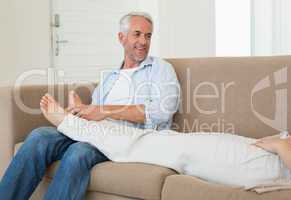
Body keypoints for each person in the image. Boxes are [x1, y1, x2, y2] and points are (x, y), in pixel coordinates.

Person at [0, 12, 180, 200]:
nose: (143, 41)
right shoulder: (110, 77)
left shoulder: (161, 69)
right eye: (137, 34)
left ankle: (67, 122)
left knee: (78, 152)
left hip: (126, 138)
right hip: (95, 131)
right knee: (40, 136)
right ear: (121, 37)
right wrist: (81, 111)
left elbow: (163, 111)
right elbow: (96, 112)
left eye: (148, 35)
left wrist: (104, 111)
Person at [37, 94, 291, 189]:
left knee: (163, 147)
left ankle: (72, 124)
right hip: (262, 149)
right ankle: (81, 121)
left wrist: (281, 146)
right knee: (168, 141)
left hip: (267, 162)